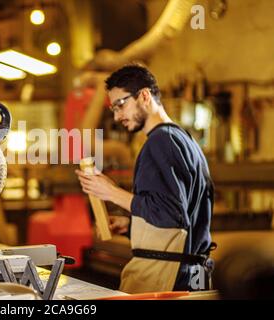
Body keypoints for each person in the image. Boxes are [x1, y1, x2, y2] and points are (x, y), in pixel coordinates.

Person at [76, 64, 215, 293]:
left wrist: (111, 193)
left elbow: (170, 212)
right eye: (113, 109)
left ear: (144, 95)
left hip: (164, 274)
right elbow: (180, 215)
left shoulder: (160, 141)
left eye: (121, 105)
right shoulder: (183, 139)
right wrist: (134, 224)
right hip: (188, 272)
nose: (117, 116)